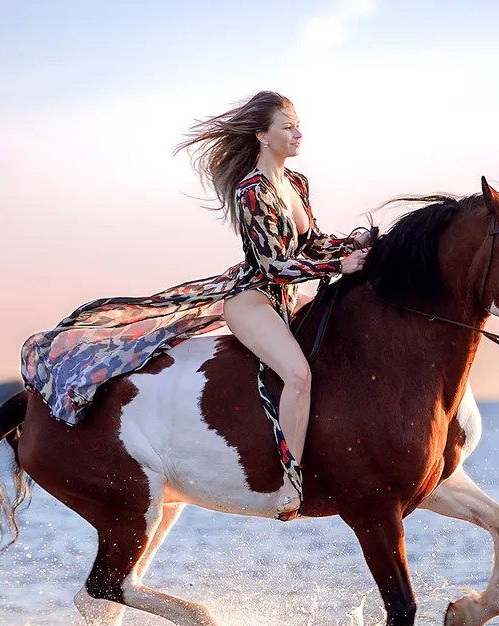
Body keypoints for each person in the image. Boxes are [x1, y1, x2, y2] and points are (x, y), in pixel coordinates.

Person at [20, 91, 370, 520]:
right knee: (298, 375)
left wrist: (354, 246)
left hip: (290, 293)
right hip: (254, 297)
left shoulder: (296, 184)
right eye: (288, 125)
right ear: (262, 135)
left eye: (298, 125)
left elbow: (311, 241)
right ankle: (289, 482)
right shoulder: (251, 191)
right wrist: (339, 263)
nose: (298, 133)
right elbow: (272, 263)